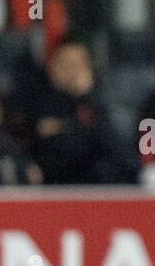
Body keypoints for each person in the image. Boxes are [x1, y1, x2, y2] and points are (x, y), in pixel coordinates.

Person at [10, 34, 133, 185]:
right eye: (64, 64)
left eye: (76, 65)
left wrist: (86, 96)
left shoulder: (100, 100)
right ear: (51, 65)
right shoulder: (32, 100)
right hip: (48, 187)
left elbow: (117, 149)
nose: (71, 72)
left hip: (96, 186)